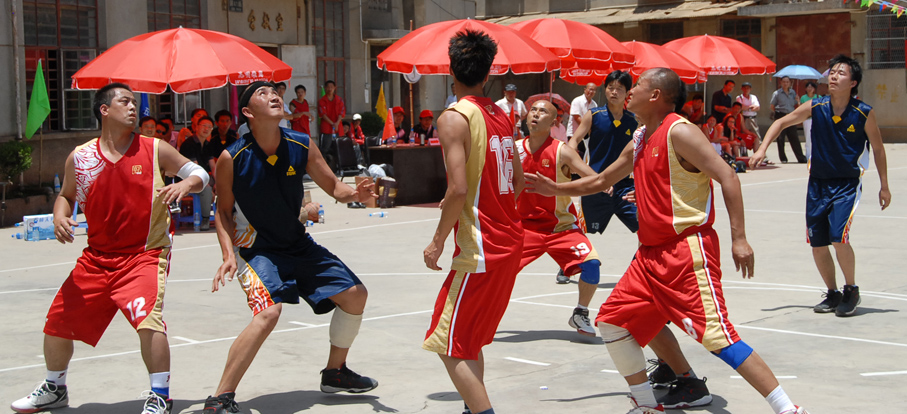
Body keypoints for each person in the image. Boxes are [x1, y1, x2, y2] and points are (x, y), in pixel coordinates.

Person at [526, 68, 808, 414]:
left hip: (686, 250)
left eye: (638, 85)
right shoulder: (641, 136)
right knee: (614, 321)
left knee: (718, 337)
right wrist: (555, 188)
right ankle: (650, 403)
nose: (630, 91)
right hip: (649, 255)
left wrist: (740, 238)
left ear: (656, 95)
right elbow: (601, 180)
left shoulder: (680, 132)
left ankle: (788, 409)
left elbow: (728, 176)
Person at [10, 83, 207, 414]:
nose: (133, 108)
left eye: (134, 103)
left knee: (148, 322)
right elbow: (66, 196)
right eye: (125, 102)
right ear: (104, 110)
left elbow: (199, 172)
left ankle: (160, 396)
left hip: (144, 255)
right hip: (97, 258)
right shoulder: (81, 157)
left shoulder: (154, 149)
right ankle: (55, 387)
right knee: (57, 322)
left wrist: (187, 183)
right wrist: (60, 216)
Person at [202, 81, 379, 414]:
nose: (273, 95)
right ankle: (220, 398)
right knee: (269, 312)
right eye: (263, 93)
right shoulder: (232, 157)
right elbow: (222, 212)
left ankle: (335, 372)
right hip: (255, 250)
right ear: (247, 112)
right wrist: (227, 255)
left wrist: (355, 194)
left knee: (355, 295)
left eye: (275, 91)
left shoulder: (301, 144)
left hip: (296, 243)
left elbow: (334, 186)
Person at [422, 29, 524, 414]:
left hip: (481, 247)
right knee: (469, 338)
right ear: (488, 72)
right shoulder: (500, 115)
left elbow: (458, 189)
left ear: (451, 71)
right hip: (509, 240)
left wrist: (437, 240)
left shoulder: (454, 118)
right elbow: (517, 181)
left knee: (447, 341)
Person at [750, 54, 891, 317]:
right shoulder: (816, 106)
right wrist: (762, 148)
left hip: (847, 184)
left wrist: (884, 186)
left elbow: (879, 149)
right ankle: (833, 292)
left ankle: (851, 290)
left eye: (841, 73)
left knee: (839, 237)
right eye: (832, 72)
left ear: (853, 82)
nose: (834, 76)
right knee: (817, 243)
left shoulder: (863, 112)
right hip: (817, 184)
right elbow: (781, 122)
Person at [517, 100, 602, 337]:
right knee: (495, 270)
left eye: (543, 111)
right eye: (533, 110)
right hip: (524, 228)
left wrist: (559, 188)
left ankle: (580, 313)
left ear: (555, 122)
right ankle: (484, 314)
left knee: (591, 263)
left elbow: (593, 179)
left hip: (561, 227)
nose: (536, 114)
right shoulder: (514, 149)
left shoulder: (562, 151)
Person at [178, 116, 217, 230]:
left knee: (226, 183)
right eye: (204, 126)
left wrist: (218, 183)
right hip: (188, 178)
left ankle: (228, 216)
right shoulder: (189, 144)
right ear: (196, 127)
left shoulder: (208, 145)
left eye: (209, 127)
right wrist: (209, 184)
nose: (206, 129)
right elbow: (196, 168)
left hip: (204, 176)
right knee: (207, 189)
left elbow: (213, 166)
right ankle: (205, 218)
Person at [769, 76, 807, 163]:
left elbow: (796, 104)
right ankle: (783, 158)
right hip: (780, 115)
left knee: (794, 137)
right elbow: (772, 106)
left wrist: (797, 100)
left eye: (787, 82)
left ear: (790, 83)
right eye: (784, 82)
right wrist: (778, 114)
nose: (785, 83)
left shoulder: (793, 93)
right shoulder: (777, 93)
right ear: (781, 83)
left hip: (790, 115)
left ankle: (801, 158)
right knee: (780, 138)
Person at [318, 79, 346, 153]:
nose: (330, 89)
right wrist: (332, 124)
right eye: (328, 87)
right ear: (325, 88)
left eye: (331, 87)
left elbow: (341, 112)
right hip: (327, 128)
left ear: (335, 88)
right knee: (325, 149)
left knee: (338, 149)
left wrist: (337, 123)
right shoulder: (322, 100)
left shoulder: (339, 99)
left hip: (338, 128)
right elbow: (323, 114)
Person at [736, 81, 763, 150]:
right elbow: (741, 107)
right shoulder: (739, 97)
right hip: (744, 118)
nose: (746, 90)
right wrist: (750, 108)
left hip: (753, 118)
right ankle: (744, 153)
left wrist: (746, 108)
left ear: (750, 89)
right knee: (744, 135)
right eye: (745, 88)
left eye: (748, 88)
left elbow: (757, 108)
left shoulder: (753, 97)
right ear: (742, 89)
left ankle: (758, 153)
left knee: (756, 136)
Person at [800, 81, 819, 159]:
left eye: (811, 87)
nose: (810, 89)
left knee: (817, 137)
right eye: (808, 87)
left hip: (816, 119)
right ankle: (808, 155)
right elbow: (801, 108)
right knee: (808, 137)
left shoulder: (818, 97)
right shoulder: (803, 98)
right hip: (807, 119)